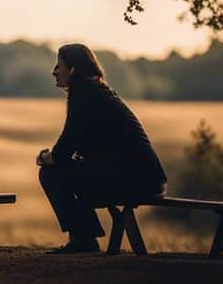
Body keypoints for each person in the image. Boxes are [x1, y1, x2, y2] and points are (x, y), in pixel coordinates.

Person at [36, 43, 167, 253]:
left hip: (136, 180)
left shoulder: (85, 97)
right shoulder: (96, 93)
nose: (54, 71)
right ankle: (84, 239)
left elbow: (61, 153)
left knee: (51, 174)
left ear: (73, 69)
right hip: (145, 178)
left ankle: (83, 241)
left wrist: (43, 157)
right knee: (70, 174)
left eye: (59, 66)